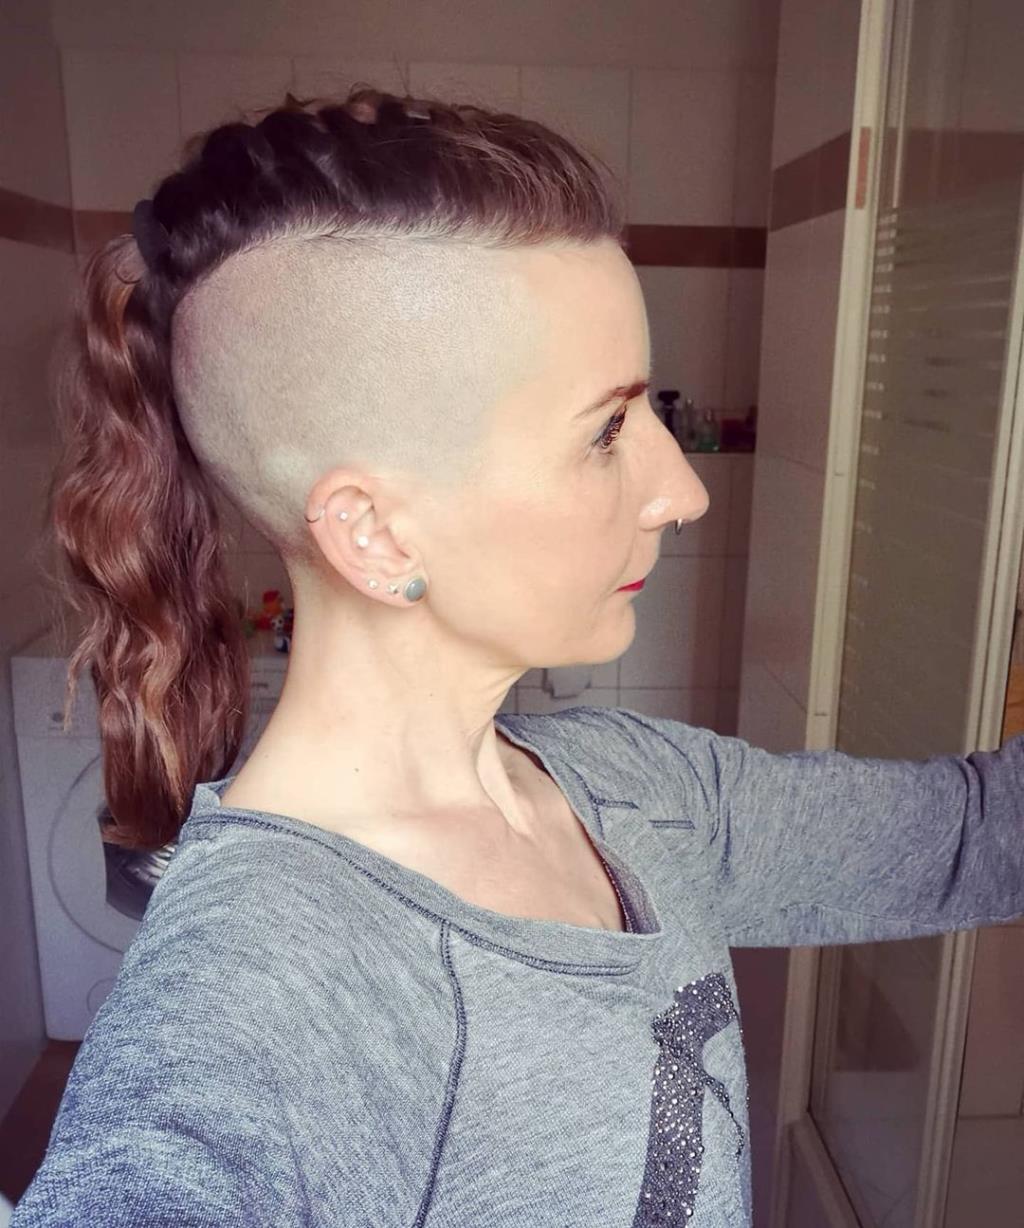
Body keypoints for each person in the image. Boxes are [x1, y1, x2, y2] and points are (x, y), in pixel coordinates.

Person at [11, 85, 1024, 1228]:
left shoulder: (641, 790)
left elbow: (977, 833)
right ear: (376, 534)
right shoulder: (266, 985)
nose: (680, 491)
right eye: (607, 430)